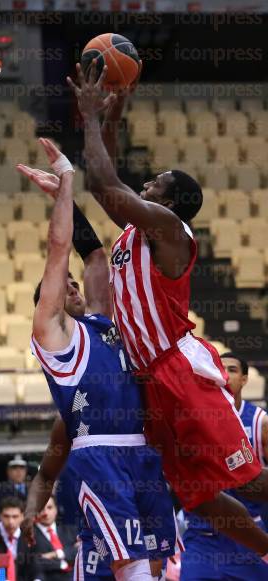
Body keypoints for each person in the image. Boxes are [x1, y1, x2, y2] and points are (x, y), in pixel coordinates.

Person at [67, 60, 268, 558]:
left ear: (172, 202)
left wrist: (91, 117)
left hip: (179, 369)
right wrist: (113, 116)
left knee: (247, 479)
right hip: (151, 379)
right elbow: (109, 176)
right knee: (196, 495)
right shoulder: (139, 231)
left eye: (156, 182)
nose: (147, 183)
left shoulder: (170, 232)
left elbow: (104, 185)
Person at [17, 138, 177, 580]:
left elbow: (95, 254)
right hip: (100, 457)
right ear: (45, 304)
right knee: (131, 567)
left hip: (143, 454)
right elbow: (59, 247)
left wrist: (63, 197)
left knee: (158, 566)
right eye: (62, 286)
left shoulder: (101, 321)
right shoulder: (53, 334)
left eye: (74, 283)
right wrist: (67, 183)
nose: (71, 285)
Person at [180, 352, 268, 580]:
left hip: (249, 536)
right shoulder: (193, 417)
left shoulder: (260, 421)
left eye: (233, 370)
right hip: (203, 536)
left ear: (245, 379)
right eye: (222, 368)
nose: (226, 374)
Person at [29, 496, 77, 581]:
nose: (46, 512)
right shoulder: (29, 535)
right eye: (41, 508)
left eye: (49, 507)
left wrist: (56, 554)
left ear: (56, 510)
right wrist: (63, 564)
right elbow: (33, 561)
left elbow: (81, 551)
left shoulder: (71, 531)